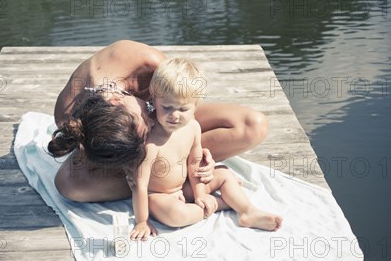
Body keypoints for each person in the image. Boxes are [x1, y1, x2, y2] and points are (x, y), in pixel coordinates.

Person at [49, 40, 269, 203]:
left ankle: (173, 178)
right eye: (147, 125)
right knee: (70, 185)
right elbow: (100, 158)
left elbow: (184, 102)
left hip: (168, 115)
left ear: (117, 100)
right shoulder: (69, 117)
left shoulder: (145, 62)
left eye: (145, 117)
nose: (152, 123)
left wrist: (197, 148)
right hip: (139, 158)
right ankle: (170, 184)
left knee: (253, 126)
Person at [128, 58, 282, 240]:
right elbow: (140, 185)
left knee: (224, 175)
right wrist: (142, 221)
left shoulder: (192, 127)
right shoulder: (151, 143)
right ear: (154, 100)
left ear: (196, 106)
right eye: (166, 107)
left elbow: (194, 162)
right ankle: (222, 203)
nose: (174, 115)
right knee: (175, 215)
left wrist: (200, 194)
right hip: (159, 196)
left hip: (184, 187)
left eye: (183, 109)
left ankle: (247, 212)